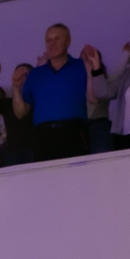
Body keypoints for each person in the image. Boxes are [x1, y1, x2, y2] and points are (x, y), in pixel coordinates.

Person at [22, 24, 94, 159]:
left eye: (57, 39)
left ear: (68, 41)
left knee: (76, 172)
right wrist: (15, 88)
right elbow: (21, 112)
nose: (52, 43)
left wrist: (91, 68)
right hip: (42, 135)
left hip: (73, 133)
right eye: (48, 40)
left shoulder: (82, 66)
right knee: (45, 173)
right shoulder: (35, 74)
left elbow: (93, 98)